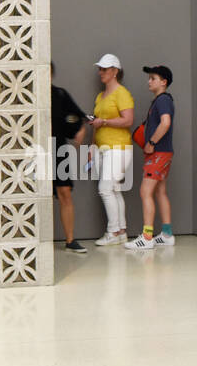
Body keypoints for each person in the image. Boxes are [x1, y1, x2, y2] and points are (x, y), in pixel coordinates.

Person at [125, 65, 176, 249]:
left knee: (145, 191)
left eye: (153, 78)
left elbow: (165, 123)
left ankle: (147, 237)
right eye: (149, 78)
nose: (149, 81)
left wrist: (151, 143)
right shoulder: (162, 100)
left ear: (164, 82)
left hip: (158, 153)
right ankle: (167, 234)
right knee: (160, 191)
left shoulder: (162, 100)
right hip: (164, 152)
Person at [88, 54, 135, 245]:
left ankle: (113, 232)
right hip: (102, 149)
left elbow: (128, 120)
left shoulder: (122, 93)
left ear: (115, 71)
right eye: (100, 69)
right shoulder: (101, 96)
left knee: (105, 189)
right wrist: (92, 147)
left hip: (118, 148)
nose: (101, 72)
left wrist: (105, 121)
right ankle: (121, 231)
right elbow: (96, 124)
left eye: (104, 69)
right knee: (114, 190)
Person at [50, 62, 88, 253]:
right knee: (37, 196)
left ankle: (70, 240)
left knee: (65, 192)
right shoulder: (27, 94)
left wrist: (80, 129)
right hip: (36, 152)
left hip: (58, 150)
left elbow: (77, 118)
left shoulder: (60, 95)